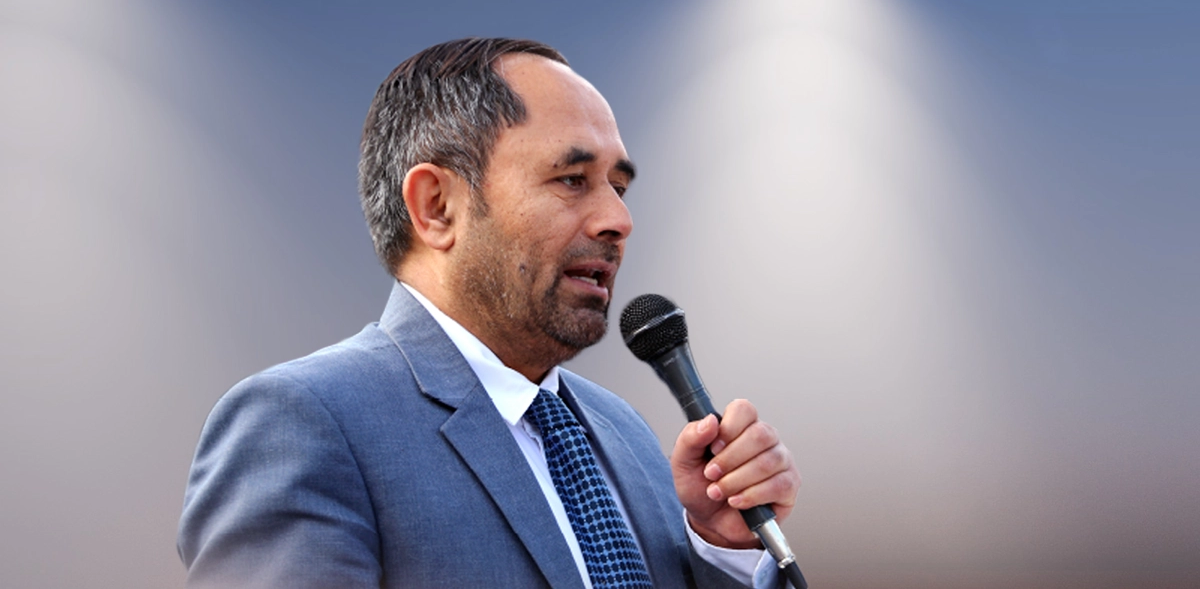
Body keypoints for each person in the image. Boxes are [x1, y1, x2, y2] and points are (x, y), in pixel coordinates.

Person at [178, 37, 802, 588]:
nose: (619, 219)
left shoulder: (626, 434)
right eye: (572, 178)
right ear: (436, 206)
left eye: (619, 186)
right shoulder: (303, 425)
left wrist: (722, 548)